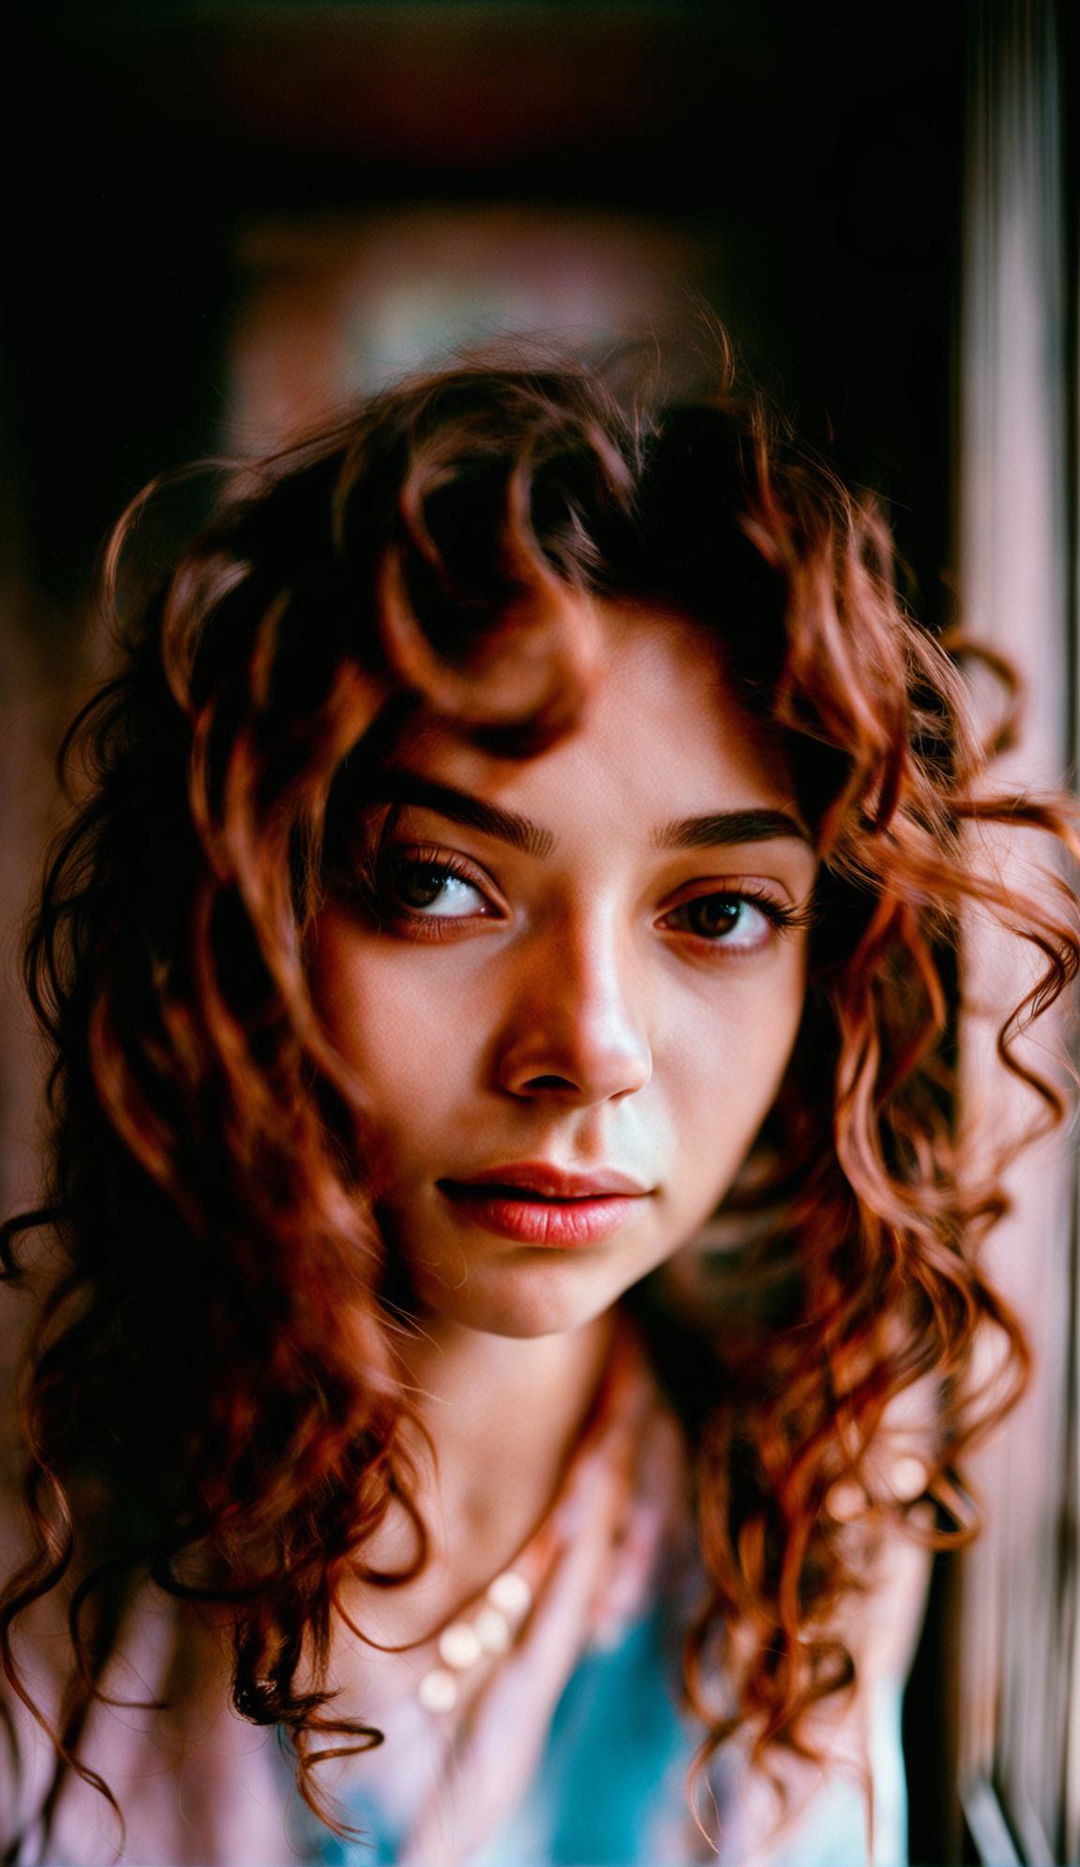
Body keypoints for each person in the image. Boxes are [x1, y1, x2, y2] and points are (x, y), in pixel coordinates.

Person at [1, 355, 1076, 1867]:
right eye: (438, 884)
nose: (589, 1047)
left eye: (718, 912)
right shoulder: (49, 1553)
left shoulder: (822, 1539)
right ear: (252, 918)